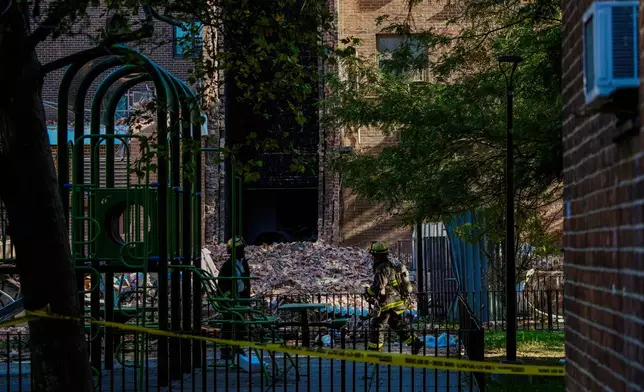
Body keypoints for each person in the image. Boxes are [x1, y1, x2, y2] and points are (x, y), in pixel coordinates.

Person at [364, 241, 424, 354]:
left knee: (377, 325)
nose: (373, 258)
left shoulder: (381, 268)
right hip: (398, 299)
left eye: (374, 255)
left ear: (377, 255)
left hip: (387, 301)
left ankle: (374, 351)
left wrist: (368, 291)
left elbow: (379, 286)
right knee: (395, 323)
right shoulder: (391, 264)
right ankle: (415, 342)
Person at [217, 236, 251, 360]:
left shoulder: (243, 263)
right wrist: (227, 300)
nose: (243, 251)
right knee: (228, 325)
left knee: (240, 325)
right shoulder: (227, 266)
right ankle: (225, 351)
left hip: (240, 298)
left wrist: (246, 299)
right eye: (240, 249)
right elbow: (222, 286)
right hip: (230, 300)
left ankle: (238, 349)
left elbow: (246, 282)